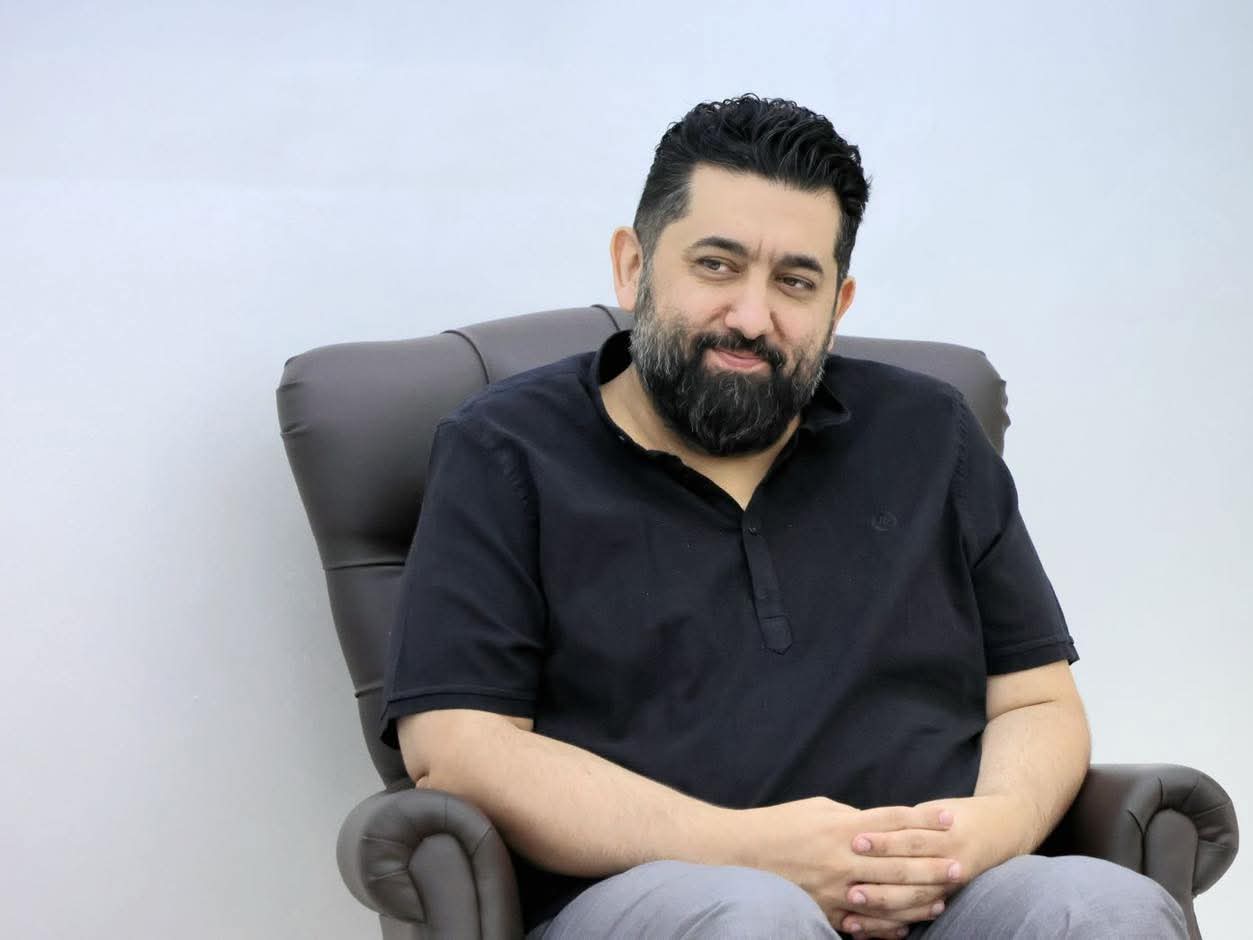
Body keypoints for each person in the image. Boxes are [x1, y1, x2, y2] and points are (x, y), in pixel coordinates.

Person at [380, 95, 1187, 939]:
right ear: (633, 265)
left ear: (839, 305)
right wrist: (747, 851)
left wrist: (983, 836)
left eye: (795, 282)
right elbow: (459, 748)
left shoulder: (932, 434)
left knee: (1106, 910)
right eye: (716, 266)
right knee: (755, 918)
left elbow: (1037, 703)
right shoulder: (505, 451)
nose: (751, 317)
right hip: (657, 900)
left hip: (939, 897)